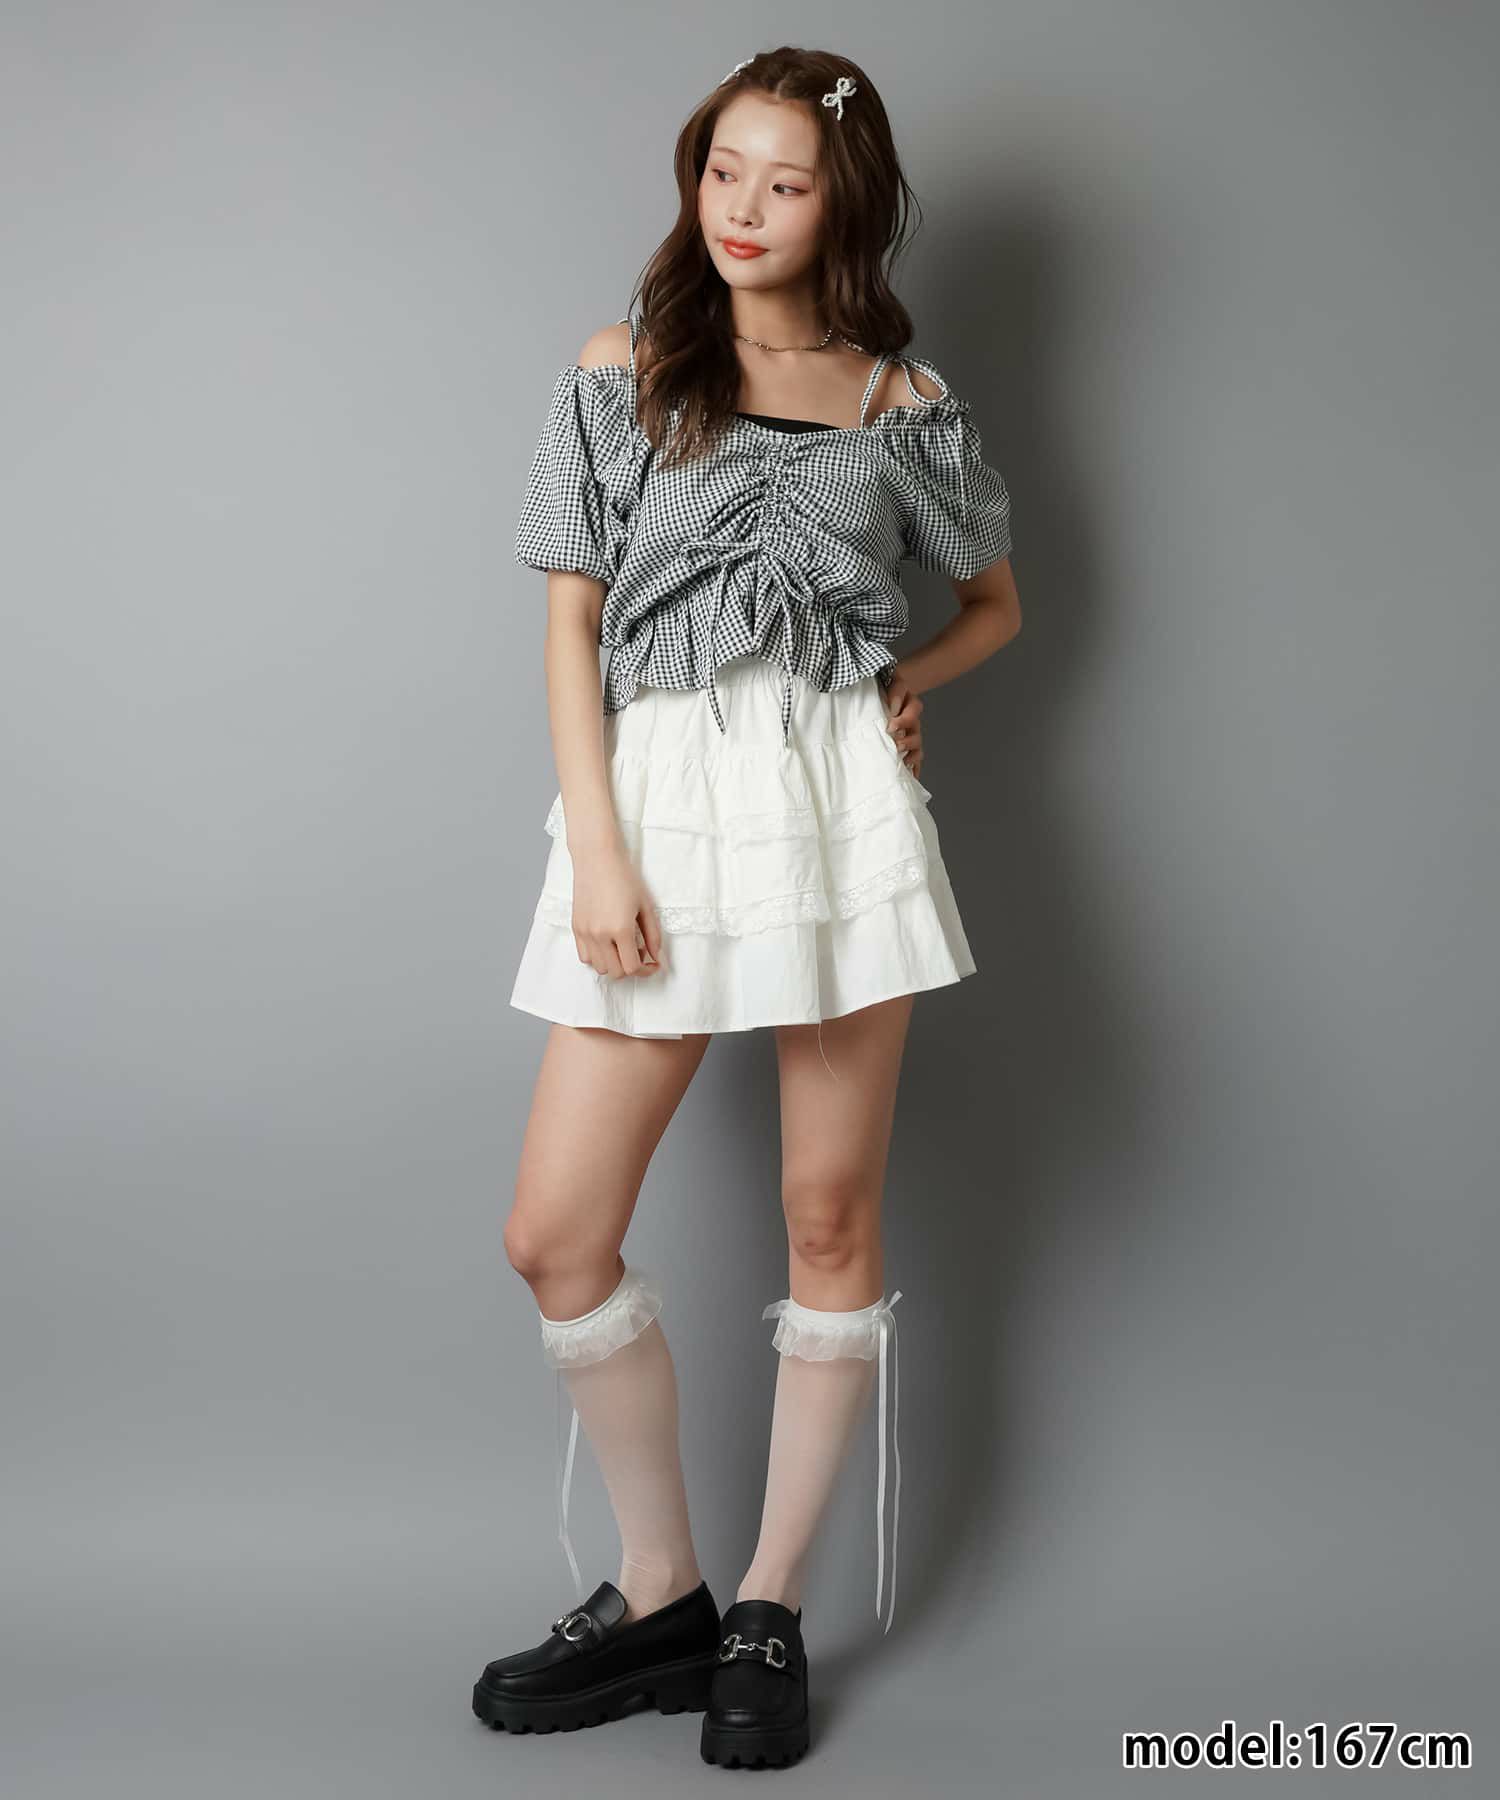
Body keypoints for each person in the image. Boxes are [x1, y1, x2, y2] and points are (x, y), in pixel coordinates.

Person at [471, 45, 1022, 1770]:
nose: (746, 210)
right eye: (725, 171)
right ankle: (663, 1595)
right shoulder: (620, 372)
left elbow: (995, 602)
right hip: (656, 805)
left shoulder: (900, 399)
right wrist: (600, 845)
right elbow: (572, 624)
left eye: (786, 184)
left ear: (841, 205)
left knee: (828, 1213)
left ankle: (768, 1605)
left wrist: (907, 681)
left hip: (837, 808)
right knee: (556, 1233)